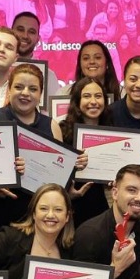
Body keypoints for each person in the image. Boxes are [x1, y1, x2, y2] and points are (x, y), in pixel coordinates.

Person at [54, 75, 110, 227]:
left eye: (98, 96)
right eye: (86, 96)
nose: (93, 101)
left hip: (104, 207)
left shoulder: (114, 131)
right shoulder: (63, 131)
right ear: (77, 102)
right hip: (73, 208)